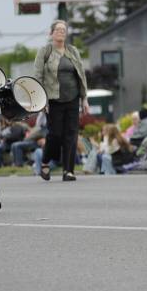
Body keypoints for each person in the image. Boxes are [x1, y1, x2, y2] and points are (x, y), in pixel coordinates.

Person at [32, 20, 89, 182]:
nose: (61, 32)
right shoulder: (45, 51)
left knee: (71, 134)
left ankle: (68, 171)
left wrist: (84, 98)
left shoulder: (73, 51)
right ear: (51, 33)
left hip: (73, 98)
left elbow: (81, 75)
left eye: (63, 30)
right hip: (53, 99)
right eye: (58, 30)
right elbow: (38, 76)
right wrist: (41, 100)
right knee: (55, 134)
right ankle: (45, 162)